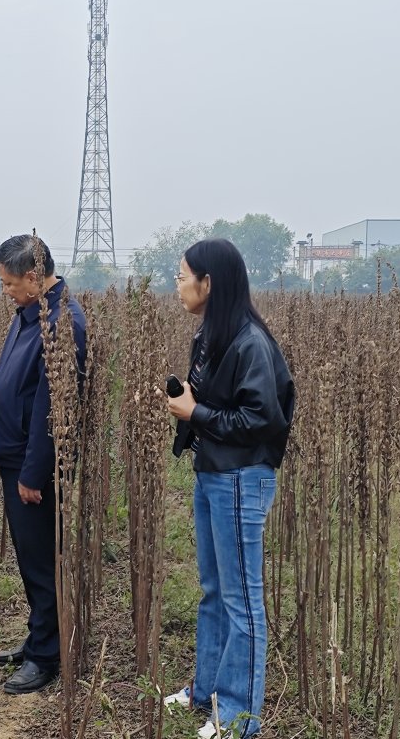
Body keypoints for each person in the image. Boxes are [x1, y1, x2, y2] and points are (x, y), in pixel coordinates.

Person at [163, 238, 295, 739]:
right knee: (215, 591)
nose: (176, 284)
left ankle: (238, 718)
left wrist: (195, 412)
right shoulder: (212, 335)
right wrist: (191, 406)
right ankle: (206, 691)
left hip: (241, 478)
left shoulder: (250, 343)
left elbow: (262, 419)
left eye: (181, 275)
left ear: (208, 283)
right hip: (213, 472)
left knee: (242, 601)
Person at [0, 234, 86, 695]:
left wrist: (34, 473)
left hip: (34, 466)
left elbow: (55, 409)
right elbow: (20, 377)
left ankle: (46, 656)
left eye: (9, 283)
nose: (5, 290)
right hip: (16, 457)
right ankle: (37, 641)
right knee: (30, 559)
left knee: (41, 560)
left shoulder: (62, 323)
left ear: (34, 276)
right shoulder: (31, 314)